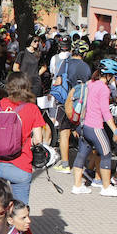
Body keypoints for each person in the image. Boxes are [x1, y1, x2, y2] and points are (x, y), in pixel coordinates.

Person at [0, 72, 48, 205]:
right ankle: (19, 225)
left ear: (8, 87)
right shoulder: (32, 109)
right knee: (20, 209)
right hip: (21, 166)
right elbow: (38, 139)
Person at [70, 60, 117, 196]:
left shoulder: (90, 83)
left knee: (81, 154)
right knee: (106, 154)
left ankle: (77, 185)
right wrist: (116, 130)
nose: (114, 78)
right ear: (108, 75)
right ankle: (106, 187)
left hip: (83, 125)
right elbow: (105, 113)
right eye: (114, 75)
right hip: (95, 126)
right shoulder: (104, 89)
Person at [51, 41, 91, 171]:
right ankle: (84, 162)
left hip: (65, 102)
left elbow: (58, 81)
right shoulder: (86, 67)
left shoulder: (66, 63)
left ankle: (65, 164)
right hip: (81, 103)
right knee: (81, 131)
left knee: (64, 133)